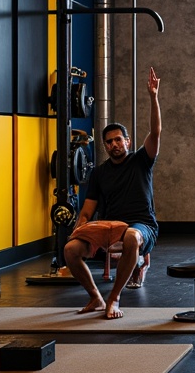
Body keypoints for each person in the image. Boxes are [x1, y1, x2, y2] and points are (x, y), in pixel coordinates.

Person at [66, 67, 161, 319]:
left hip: (143, 227)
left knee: (131, 236)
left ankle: (114, 298)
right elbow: (87, 211)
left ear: (128, 142)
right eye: (109, 142)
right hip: (109, 228)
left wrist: (153, 97)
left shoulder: (141, 160)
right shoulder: (99, 173)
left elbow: (155, 133)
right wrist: (80, 228)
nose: (114, 145)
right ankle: (96, 298)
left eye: (119, 140)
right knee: (70, 250)